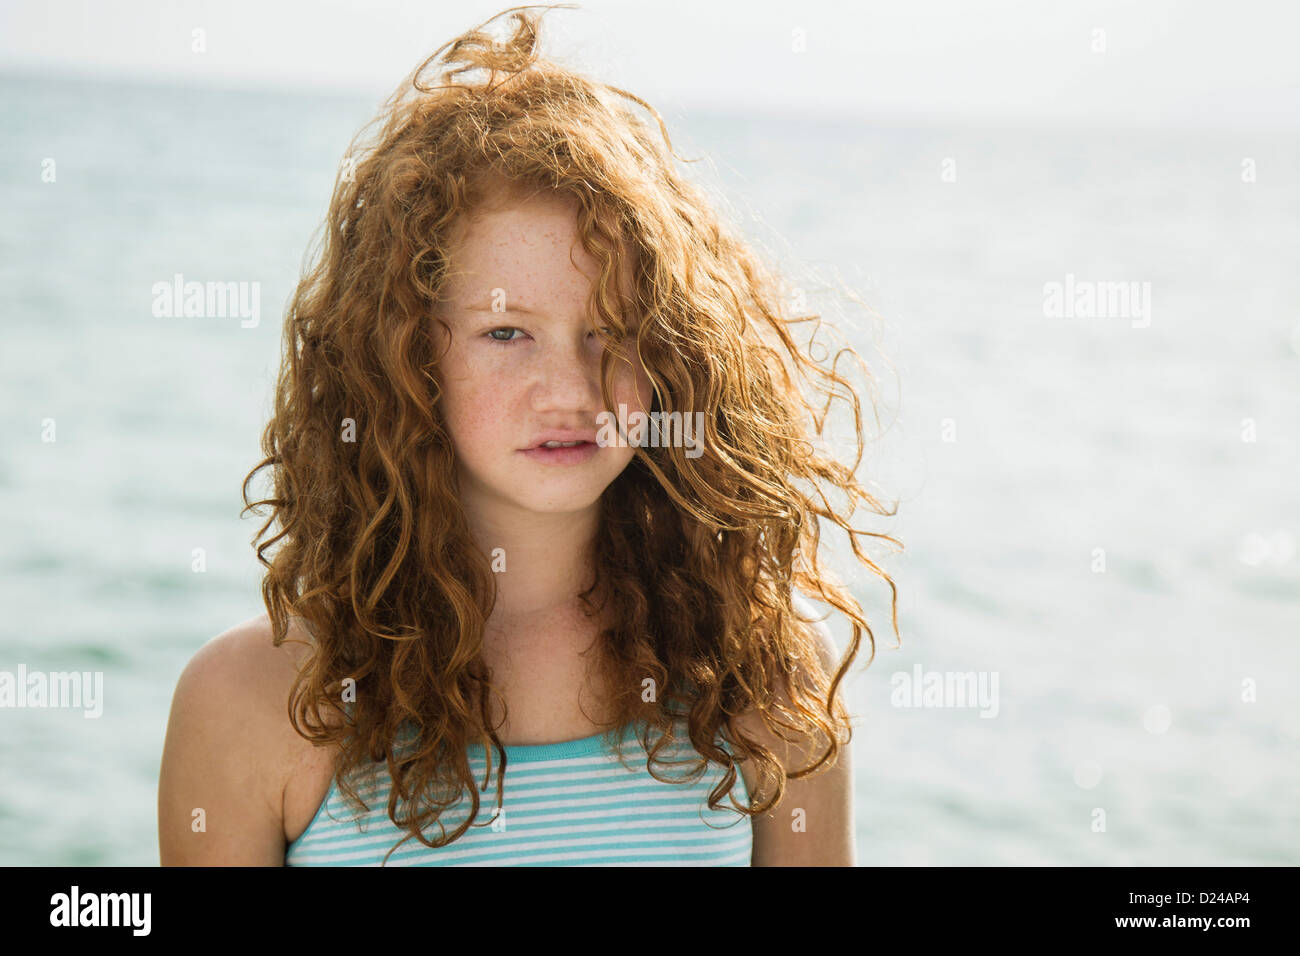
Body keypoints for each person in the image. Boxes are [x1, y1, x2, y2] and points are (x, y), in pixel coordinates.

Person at [158, 3, 899, 867]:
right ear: (404, 356)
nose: (572, 390)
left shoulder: (760, 676)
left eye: (613, 330)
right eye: (507, 333)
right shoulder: (256, 702)